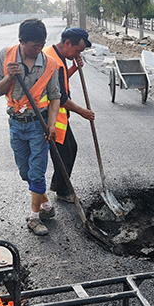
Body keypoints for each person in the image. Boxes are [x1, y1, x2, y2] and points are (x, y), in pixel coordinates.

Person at [0, 18, 61, 237]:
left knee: (37, 173)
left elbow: (55, 96)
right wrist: (9, 76)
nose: (39, 49)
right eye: (34, 45)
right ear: (21, 41)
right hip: (15, 124)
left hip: (39, 125)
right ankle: (46, 205)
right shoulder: (6, 56)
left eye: (42, 44)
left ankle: (34, 217)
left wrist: (51, 124)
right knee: (25, 172)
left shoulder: (49, 64)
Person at [43, 27, 94, 203]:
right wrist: (82, 111)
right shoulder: (52, 60)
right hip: (51, 117)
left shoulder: (57, 55)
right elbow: (61, 97)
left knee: (70, 149)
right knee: (65, 153)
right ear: (67, 43)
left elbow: (60, 82)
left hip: (59, 115)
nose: (78, 54)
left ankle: (58, 184)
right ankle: (63, 192)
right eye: (77, 50)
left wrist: (73, 68)